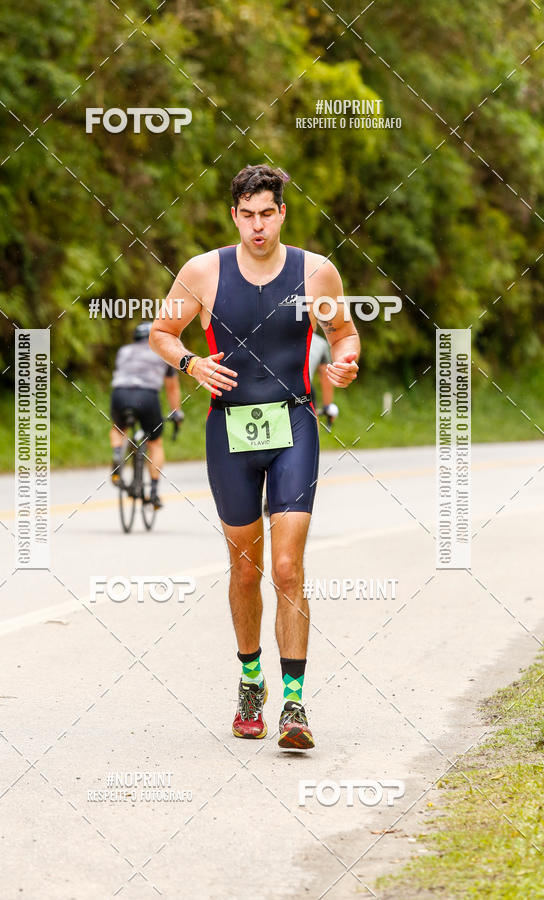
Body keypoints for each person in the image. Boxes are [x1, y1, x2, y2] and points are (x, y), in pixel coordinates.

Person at [150, 164, 359, 749]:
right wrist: (191, 364)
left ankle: (294, 704)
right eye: (248, 215)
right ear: (233, 215)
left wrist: (345, 359)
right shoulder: (203, 271)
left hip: (294, 423)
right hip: (230, 431)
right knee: (246, 569)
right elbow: (162, 334)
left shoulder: (316, 272)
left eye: (268, 213)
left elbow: (343, 333)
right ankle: (250, 681)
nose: (258, 226)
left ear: (282, 213)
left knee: (288, 567)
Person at [110, 322, 183, 508]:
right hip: (147, 396)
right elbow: (172, 387)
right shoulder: (162, 353)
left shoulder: (124, 351)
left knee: (118, 428)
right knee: (155, 443)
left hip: (120, 393)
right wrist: (176, 412)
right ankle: (154, 492)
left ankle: (117, 453)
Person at [309, 332, 339, 425]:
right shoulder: (321, 343)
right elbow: (326, 379)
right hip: (303, 385)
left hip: (270, 383)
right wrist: (327, 407)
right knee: (311, 422)